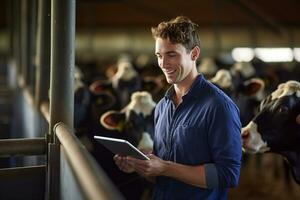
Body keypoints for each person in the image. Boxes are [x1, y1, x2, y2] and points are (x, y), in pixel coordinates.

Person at [114, 16, 242, 200]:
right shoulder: (161, 107)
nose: (163, 64)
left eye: (172, 54)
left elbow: (228, 174)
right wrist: (139, 165)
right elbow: (160, 169)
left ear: (194, 54)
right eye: (159, 55)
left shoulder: (218, 106)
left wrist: (165, 168)